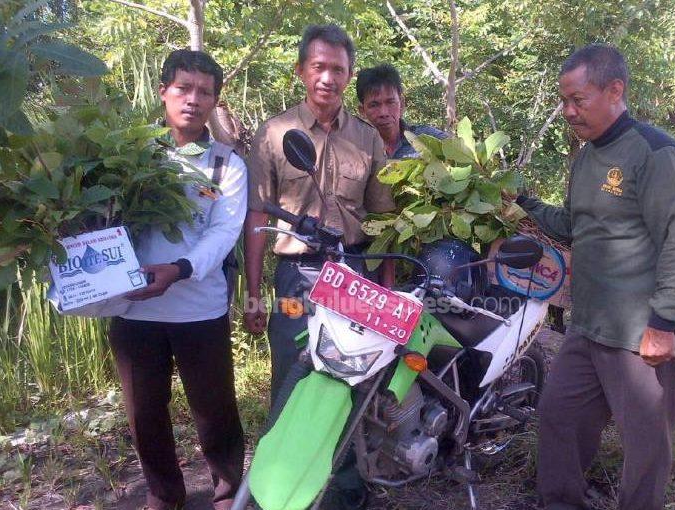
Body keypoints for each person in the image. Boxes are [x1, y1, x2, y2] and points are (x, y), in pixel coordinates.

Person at [516, 44, 675, 510]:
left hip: (642, 335)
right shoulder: (585, 159)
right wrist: (524, 202)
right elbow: (575, 226)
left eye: (578, 100)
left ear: (615, 90)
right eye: (564, 101)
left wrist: (666, 322)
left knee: (645, 447)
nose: (568, 111)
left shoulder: (655, 153)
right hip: (589, 326)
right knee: (558, 417)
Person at [243, 25, 395, 508]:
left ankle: (345, 489)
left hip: (353, 274)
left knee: (351, 381)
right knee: (292, 373)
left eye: (339, 69)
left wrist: (386, 287)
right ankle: (279, 490)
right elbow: (257, 215)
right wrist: (252, 292)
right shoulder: (274, 133)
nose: (328, 77)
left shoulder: (367, 138)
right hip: (295, 277)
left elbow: (384, 219)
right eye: (319, 67)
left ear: (349, 77)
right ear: (301, 71)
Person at [109, 49, 247, 510]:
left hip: (200, 310)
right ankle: (164, 493)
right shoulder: (128, 158)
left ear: (215, 101)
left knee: (215, 412)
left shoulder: (227, 164)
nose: (193, 99)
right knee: (144, 413)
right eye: (183, 88)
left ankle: (227, 491)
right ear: (163, 91)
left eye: (204, 91)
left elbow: (224, 231)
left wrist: (179, 270)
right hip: (133, 309)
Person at [356, 63, 447, 159]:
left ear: (402, 104)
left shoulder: (428, 139)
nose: (384, 113)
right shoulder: (352, 150)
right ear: (362, 111)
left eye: (390, 102)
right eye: (374, 105)